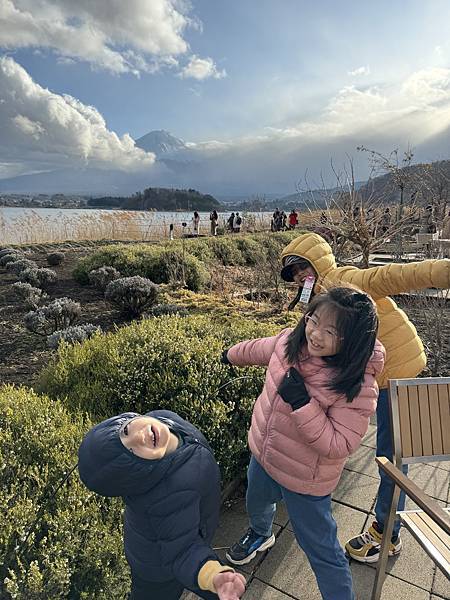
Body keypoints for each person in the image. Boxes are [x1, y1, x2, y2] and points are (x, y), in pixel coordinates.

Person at [280, 232, 450, 563]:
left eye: (303, 267)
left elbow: (394, 275)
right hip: (381, 372)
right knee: (388, 450)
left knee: (392, 456)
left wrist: (444, 271)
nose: (300, 276)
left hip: (397, 372)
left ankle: (386, 536)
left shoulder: (344, 281)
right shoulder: (316, 297)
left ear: (319, 261)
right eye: (294, 274)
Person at [223, 287, 385, 600]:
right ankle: (260, 534)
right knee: (256, 502)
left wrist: (302, 403)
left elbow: (340, 444)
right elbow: (260, 348)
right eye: (313, 321)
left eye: (331, 331)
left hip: (305, 481)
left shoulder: (357, 384)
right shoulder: (290, 342)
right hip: (265, 455)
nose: (315, 334)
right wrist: (230, 354)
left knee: (320, 547)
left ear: (353, 340)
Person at [78, 410, 246, 600]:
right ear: (137, 475)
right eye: (132, 452)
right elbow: (182, 551)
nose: (140, 436)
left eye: (125, 431)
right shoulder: (165, 497)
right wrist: (214, 576)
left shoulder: (163, 418)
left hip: (176, 536)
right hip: (157, 567)